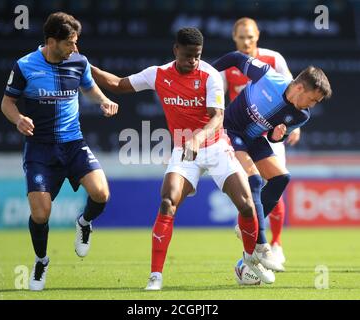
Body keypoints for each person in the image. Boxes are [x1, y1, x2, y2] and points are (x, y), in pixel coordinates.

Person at [91, 27, 275, 289]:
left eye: (197, 55)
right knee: (167, 201)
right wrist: (86, 67)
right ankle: (155, 276)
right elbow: (118, 85)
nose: (193, 61)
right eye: (188, 55)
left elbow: (217, 117)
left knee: (246, 205)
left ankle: (247, 262)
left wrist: (198, 138)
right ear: (176, 50)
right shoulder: (158, 74)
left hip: (214, 146)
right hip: (184, 150)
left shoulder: (210, 75)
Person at [1, 12, 119, 291]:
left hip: (73, 143)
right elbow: (7, 103)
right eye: (70, 43)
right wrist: (18, 118)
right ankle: (41, 260)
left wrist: (104, 101)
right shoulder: (25, 65)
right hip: (40, 149)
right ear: (52, 41)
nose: (75, 49)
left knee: (101, 193)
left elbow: (89, 89)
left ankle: (84, 222)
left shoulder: (79, 62)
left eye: (77, 43)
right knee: (41, 214)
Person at [212, 51, 332, 272]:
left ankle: (247, 226)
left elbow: (276, 137)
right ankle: (261, 243)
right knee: (255, 181)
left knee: (281, 178)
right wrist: (208, 72)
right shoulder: (267, 76)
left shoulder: (302, 115)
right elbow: (236, 57)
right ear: (299, 88)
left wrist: (278, 136)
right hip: (230, 130)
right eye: (313, 99)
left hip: (255, 138)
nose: (313, 105)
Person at [221, 17, 300, 267]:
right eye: (241, 37)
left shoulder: (273, 60)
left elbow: (295, 92)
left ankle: (275, 244)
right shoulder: (229, 66)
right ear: (234, 37)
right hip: (242, 130)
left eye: (250, 37)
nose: (246, 42)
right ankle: (254, 235)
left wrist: (292, 128)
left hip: (271, 131)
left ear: (258, 36)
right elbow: (218, 97)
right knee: (254, 182)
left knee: (276, 181)